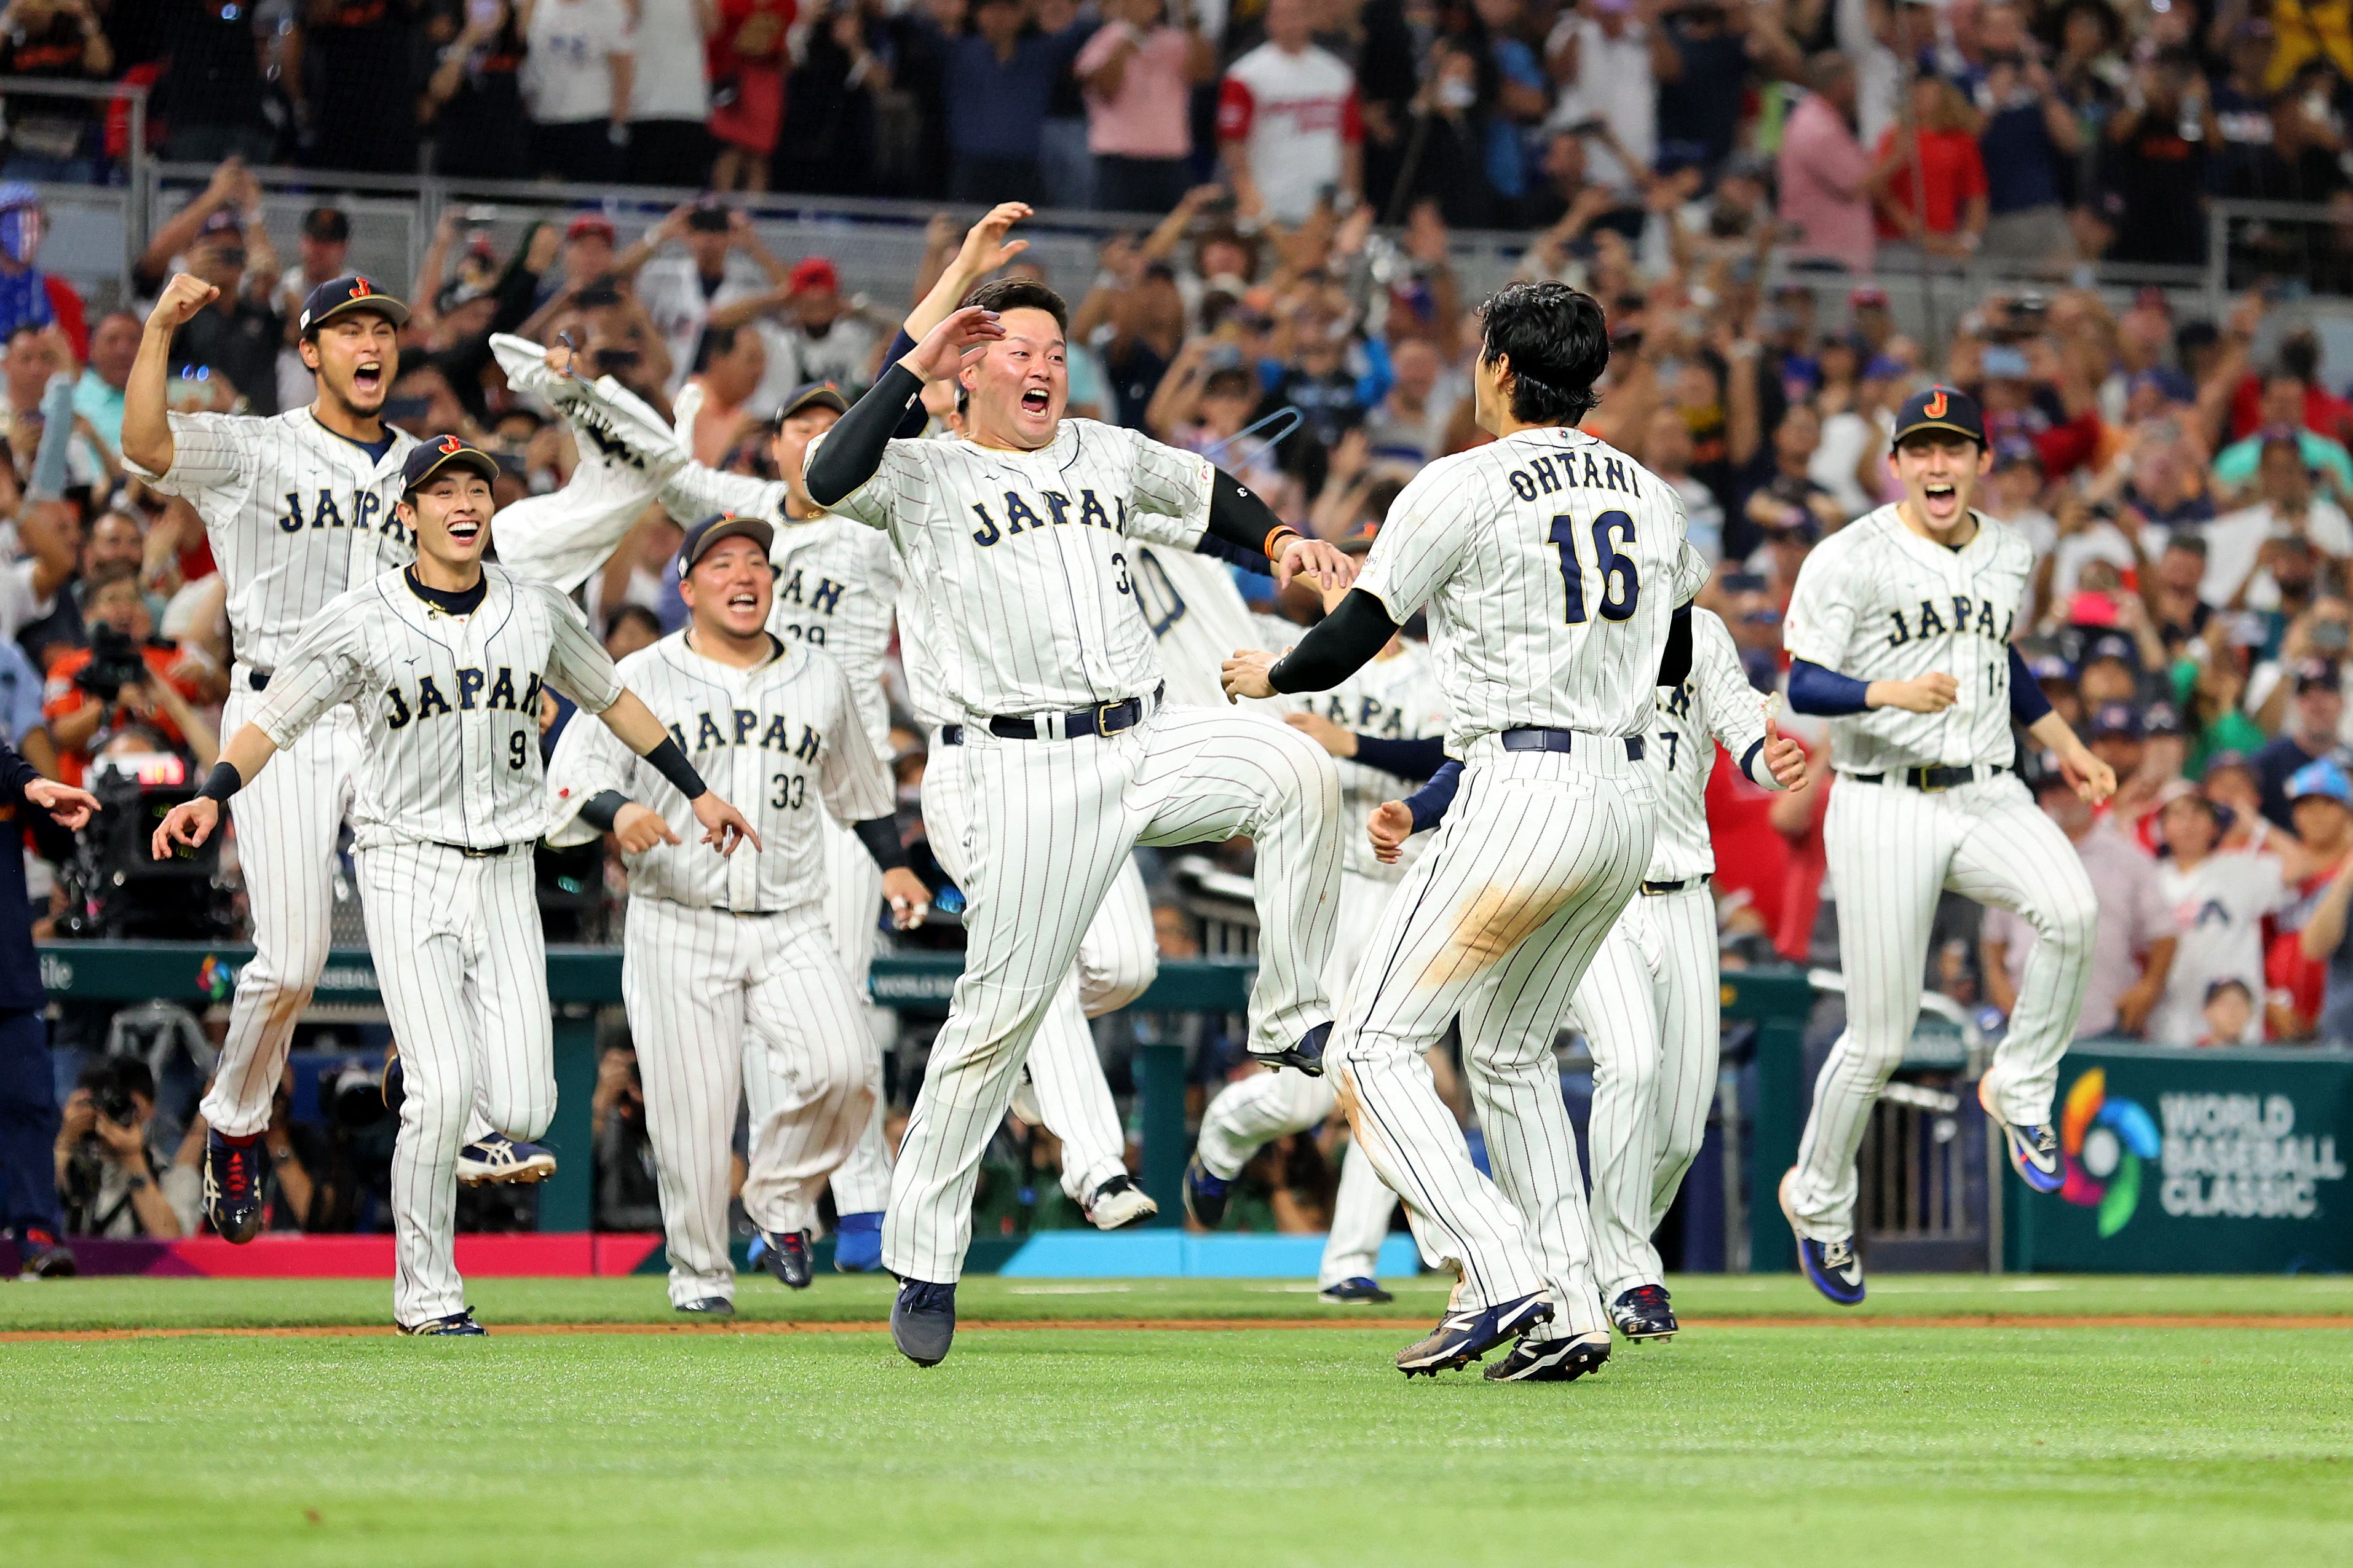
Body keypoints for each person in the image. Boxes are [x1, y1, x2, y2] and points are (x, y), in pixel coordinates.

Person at [804, 276, 1353, 1368]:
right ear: (970, 368)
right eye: (1014, 348)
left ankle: (1286, 1012)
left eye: (1054, 348)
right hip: (1023, 768)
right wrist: (914, 361)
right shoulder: (921, 472)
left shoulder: (1102, 451)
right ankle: (924, 1256)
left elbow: (1206, 498)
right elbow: (826, 475)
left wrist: (1285, 540)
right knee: (994, 1021)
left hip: (1143, 735)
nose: (1042, 364)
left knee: (1297, 773)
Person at [151, 436, 757, 1334]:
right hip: (403, 861)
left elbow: (610, 698)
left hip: (507, 869)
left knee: (522, 1106)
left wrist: (697, 786)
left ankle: (418, 1094)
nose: (464, 501)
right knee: (444, 1093)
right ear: (408, 513)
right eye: (443, 490)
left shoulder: (534, 609)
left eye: (477, 485)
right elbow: (274, 719)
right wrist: (211, 792)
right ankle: (427, 1297)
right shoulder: (362, 616)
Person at [1223, 280, 1708, 1381]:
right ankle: (1575, 1301)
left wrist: (1271, 673)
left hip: (1517, 788)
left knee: (1366, 1042)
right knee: (1505, 1047)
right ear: (1586, 379)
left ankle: (1498, 1268)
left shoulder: (1460, 482)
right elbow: (1675, 659)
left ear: (1496, 367)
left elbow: (1351, 637)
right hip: (1627, 804)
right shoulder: (1649, 491)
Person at [119, 271, 459, 1245]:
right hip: (281, 708)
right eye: (348, 328)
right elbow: (146, 445)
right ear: (310, 351)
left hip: (396, 714)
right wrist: (158, 331)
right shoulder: (259, 445)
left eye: (382, 329)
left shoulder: (427, 469)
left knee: (454, 916)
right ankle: (235, 1114)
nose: (370, 343)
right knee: (296, 954)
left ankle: (440, 1083)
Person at [1779, 384, 2114, 1306]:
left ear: (1979, 462)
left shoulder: (2010, 550)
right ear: (1895, 464)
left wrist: (2068, 746)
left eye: (1953, 448)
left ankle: (2019, 1084)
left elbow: (1998, 657)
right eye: (1919, 450)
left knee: (2072, 909)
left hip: (1986, 787)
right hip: (1883, 799)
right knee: (1877, 1037)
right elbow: (1803, 683)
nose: (1936, 465)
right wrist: (1886, 696)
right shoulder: (1847, 556)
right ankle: (1814, 1194)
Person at [546, 512, 920, 1312]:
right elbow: (572, 771)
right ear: (686, 588)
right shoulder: (640, 673)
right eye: (720, 564)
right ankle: (699, 1276)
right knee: (692, 1121)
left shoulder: (821, 676)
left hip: (790, 918)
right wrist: (616, 812)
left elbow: (859, 789)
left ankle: (779, 1199)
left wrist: (893, 862)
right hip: (678, 916)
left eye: (756, 561)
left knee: (845, 1069)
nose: (743, 575)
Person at [1187, 532, 1452, 1306]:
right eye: (1347, 564)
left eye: (1375, 567)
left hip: (1409, 890)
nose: (1359, 578)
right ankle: (1220, 1142)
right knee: (1304, 1095)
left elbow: (1455, 750)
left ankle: (1349, 1264)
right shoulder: (1290, 654)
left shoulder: (1439, 665)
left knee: (1383, 1074)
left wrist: (1350, 742)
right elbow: (1204, 618)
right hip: (1322, 889)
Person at [1543, 606, 1801, 1339]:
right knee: (1629, 1065)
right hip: (1593, 890)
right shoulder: (1559, 622)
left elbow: (1740, 727)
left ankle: (1587, 1257)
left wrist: (1766, 760)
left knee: (1683, 1130)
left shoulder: (1701, 631)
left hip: (1686, 893)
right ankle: (1629, 1271)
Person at [1982, 767, 2175, 1042]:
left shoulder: (2128, 858)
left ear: (2089, 793)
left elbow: (2165, 932)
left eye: (2070, 790)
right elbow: (1993, 939)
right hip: (2027, 1021)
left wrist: (2150, 986)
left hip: (2107, 1019)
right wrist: (2001, 990)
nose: (2063, 799)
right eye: (2053, 791)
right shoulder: (2018, 859)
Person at [0, 727, 92, 1273]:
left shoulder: (10, 774)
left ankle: (38, 1234)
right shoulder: (12, 772)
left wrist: (37, 782)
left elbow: (60, 846)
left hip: (8, 970)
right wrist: (29, 778)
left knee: (31, 1107)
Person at [2147, 782, 2282, 1047]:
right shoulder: (2149, 878)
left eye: (2198, 813)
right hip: (2169, 1022)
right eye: (2178, 815)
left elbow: (2303, 866)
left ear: (2215, 826)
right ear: (2162, 829)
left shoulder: (2241, 868)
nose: (2189, 823)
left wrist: (2257, 825)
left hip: (2236, 1025)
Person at [1217, 0, 1363, 226]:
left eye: (1297, 15)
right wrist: (1248, 196)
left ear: (1310, 18)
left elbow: (1351, 141)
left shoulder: (1338, 75)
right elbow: (1233, 142)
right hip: (1269, 205)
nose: (1290, 23)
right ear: (1269, 20)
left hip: (1323, 208)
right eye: (1282, 15)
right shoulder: (1245, 75)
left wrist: (1350, 196)